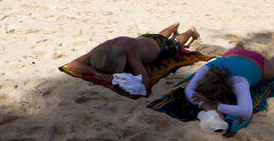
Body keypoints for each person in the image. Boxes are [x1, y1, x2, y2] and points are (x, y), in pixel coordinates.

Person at [68, 22, 200, 91]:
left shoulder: (131, 55)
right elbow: (73, 64)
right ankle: (173, 26)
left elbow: (145, 82)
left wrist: (115, 79)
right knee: (159, 36)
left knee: (175, 43)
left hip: (161, 48)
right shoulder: (104, 49)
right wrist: (94, 71)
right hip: (145, 38)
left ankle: (190, 31)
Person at [185, 41, 274, 120]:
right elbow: (188, 91)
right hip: (234, 54)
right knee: (237, 51)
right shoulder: (208, 68)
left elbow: (246, 112)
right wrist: (205, 105)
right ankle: (239, 45)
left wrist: (215, 105)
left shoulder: (239, 82)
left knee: (273, 65)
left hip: (257, 62)